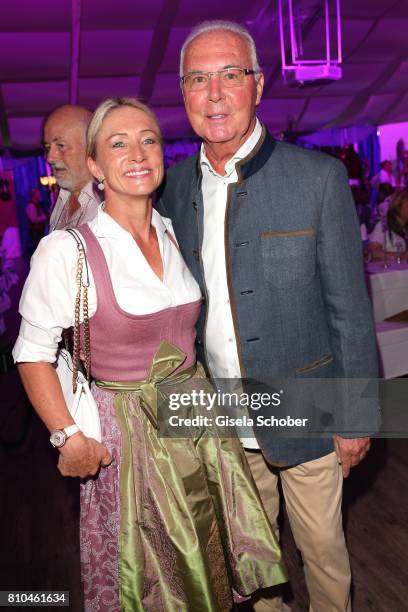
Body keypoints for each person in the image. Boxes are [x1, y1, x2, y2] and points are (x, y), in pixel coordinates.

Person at [13, 97, 286, 611]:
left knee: (207, 562)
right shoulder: (67, 250)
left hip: (198, 423)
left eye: (149, 139)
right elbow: (31, 352)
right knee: (155, 575)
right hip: (131, 439)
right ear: (95, 165)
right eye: (118, 143)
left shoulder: (171, 229)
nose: (138, 153)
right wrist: (66, 437)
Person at [157, 20, 379, 612]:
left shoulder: (318, 179)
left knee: (323, 554)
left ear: (257, 86)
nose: (215, 93)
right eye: (198, 79)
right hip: (224, 421)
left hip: (309, 409)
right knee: (250, 564)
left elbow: (351, 312)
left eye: (230, 75)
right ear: (183, 95)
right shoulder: (173, 190)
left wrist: (356, 416)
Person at [43, 104, 101, 230]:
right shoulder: (61, 199)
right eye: (48, 148)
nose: (49, 158)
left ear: (90, 146)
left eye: (61, 146)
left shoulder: (112, 204)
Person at [369, 188, 408, 262]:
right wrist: (400, 257)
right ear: (398, 205)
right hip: (390, 272)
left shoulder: (405, 228)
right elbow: (373, 252)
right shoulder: (383, 225)